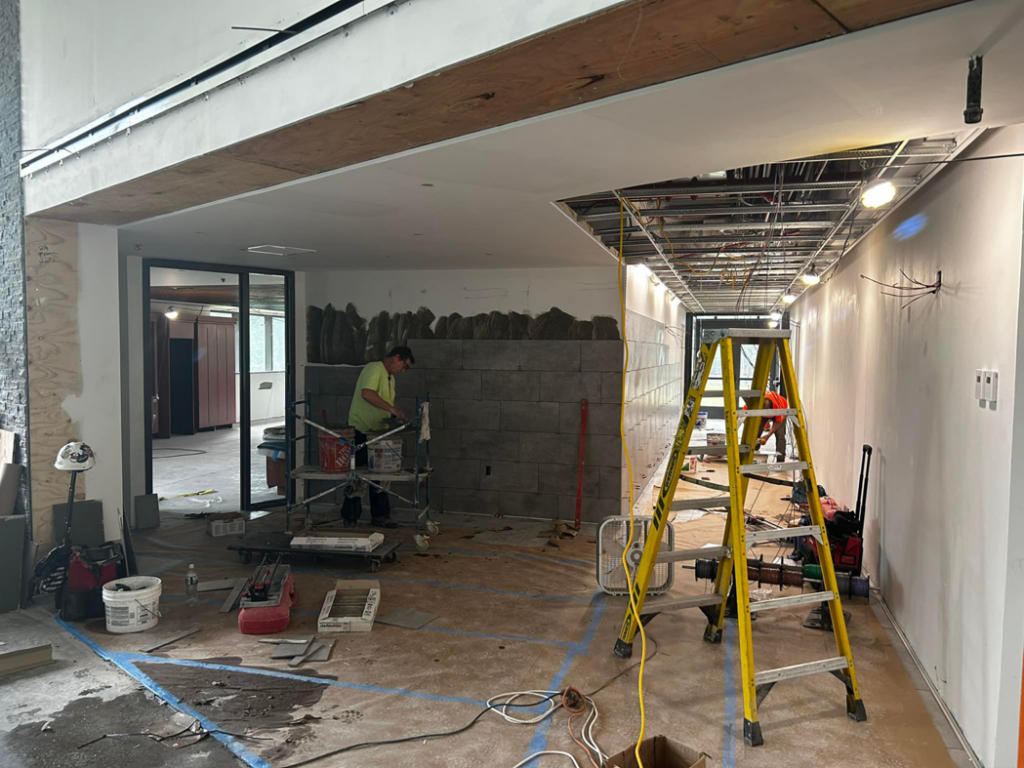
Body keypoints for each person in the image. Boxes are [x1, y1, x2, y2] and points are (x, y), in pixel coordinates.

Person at [341, 346, 415, 528]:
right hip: (361, 430)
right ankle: (350, 516)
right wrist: (392, 409)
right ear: (396, 358)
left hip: (378, 432)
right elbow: (367, 393)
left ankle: (380, 515)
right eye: (404, 366)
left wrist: (393, 416)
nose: (403, 371)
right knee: (359, 475)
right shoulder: (374, 368)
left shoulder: (390, 378)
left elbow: (382, 403)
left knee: (381, 474)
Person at [747, 390, 788, 462]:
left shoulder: (779, 407)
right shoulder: (755, 403)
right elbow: (744, 416)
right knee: (755, 432)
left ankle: (780, 460)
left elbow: (778, 422)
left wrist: (768, 435)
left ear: (770, 409)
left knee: (780, 435)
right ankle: (752, 454)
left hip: (780, 411)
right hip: (761, 413)